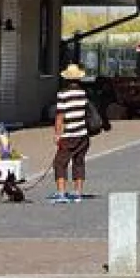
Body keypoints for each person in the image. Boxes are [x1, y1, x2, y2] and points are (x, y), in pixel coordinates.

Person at [51, 64, 91, 203]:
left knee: (60, 163)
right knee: (78, 162)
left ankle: (61, 193)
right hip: (83, 134)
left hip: (69, 135)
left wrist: (57, 134)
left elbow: (60, 116)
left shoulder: (63, 94)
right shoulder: (83, 93)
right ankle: (78, 192)